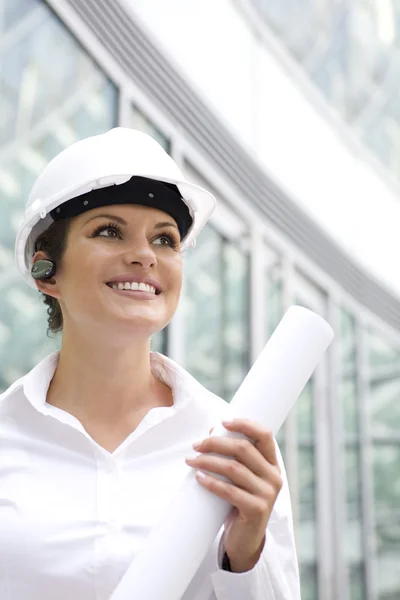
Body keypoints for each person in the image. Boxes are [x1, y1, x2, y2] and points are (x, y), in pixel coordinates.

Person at [0, 127, 300, 600]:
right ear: (46, 271)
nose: (143, 256)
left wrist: (244, 556)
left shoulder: (233, 443)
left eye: (165, 239)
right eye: (108, 231)